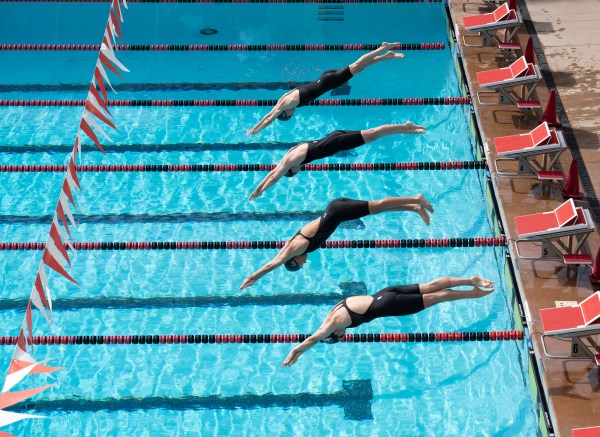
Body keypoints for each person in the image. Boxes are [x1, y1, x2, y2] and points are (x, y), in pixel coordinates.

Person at [281, 276, 495, 367]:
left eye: (340, 336)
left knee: (439, 296)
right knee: (431, 286)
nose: (343, 335)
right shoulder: (331, 313)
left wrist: (295, 352)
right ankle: (470, 280)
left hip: (388, 305)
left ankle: (473, 293)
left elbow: (314, 338)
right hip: (384, 293)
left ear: (335, 333)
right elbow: (318, 332)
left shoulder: (333, 324)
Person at [239, 195, 434, 289]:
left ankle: (415, 199)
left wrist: (253, 277)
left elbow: (274, 262)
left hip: (337, 211)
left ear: (294, 260)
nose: (304, 263)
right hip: (336, 211)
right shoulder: (296, 246)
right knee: (378, 209)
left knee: (378, 205)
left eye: (300, 264)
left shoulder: (296, 247)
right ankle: (414, 207)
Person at [246, 42, 405, 135]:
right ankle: (386, 56)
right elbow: (270, 113)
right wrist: (255, 126)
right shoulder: (283, 100)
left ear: (285, 113)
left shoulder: (286, 105)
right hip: (325, 77)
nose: (292, 115)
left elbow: (270, 117)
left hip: (330, 81)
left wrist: (256, 130)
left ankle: (382, 48)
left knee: (357, 65)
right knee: (359, 68)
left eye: (288, 117)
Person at [248, 123, 426, 201]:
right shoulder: (290, 153)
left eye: (297, 171)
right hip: (334, 135)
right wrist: (258, 188)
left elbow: (274, 177)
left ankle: (406, 128)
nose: (300, 169)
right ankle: (405, 128)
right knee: (372, 132)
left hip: (336, 142)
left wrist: (259, 190)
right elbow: (272, 172)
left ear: (291, 169)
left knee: (374, 134)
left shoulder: (291, 161)